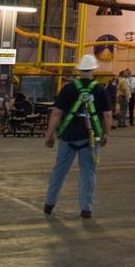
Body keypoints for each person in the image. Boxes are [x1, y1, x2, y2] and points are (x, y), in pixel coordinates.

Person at [43, 54, 112, 218]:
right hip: (90, 137)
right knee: (88, 173)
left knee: (59, 171)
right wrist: (106, 135)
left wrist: (49, 134)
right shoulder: (99, 89)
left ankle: (49, 204)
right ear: (94, 69)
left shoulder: (68, 88)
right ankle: (86, 208)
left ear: (79, 69)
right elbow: (107, 115)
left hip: (68, 136)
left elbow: (56, 113)